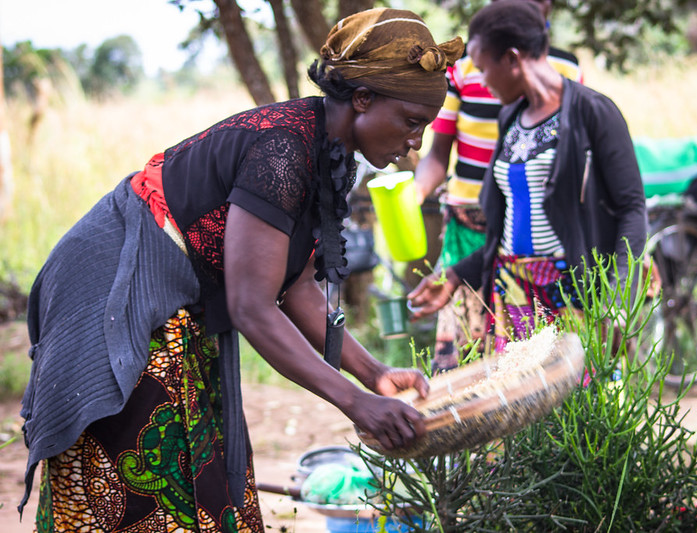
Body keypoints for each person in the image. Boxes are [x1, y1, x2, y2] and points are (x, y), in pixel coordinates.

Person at [18, 8, 463, 531]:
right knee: (141, 477)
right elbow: (252, 307)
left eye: (424, 128)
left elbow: (295, 287)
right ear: (362, 99)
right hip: (120, 294)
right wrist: (355, 402)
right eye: (411, 123)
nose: (416, 142)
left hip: (179, 304)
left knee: (200, 472)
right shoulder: (283, 148)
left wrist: (375, 374)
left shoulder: (330, 155)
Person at [408, 0, 646, 354]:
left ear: (512, 59)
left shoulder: (593, 112)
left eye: (485, 68)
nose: (484, 82)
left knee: (578, 403)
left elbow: (631, 208)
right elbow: (509, 233)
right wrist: (455, 275)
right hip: (515, 294)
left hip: (574, 292)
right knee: (519, 405)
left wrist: (616, 299)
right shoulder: (512, 118)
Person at [413, 0, 582, 372]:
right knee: (465, 360)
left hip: (536, 240)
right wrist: (415, 194)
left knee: (527, 361)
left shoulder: (565, 69)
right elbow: (439, 153)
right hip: (470, 231)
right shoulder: (466, 68)